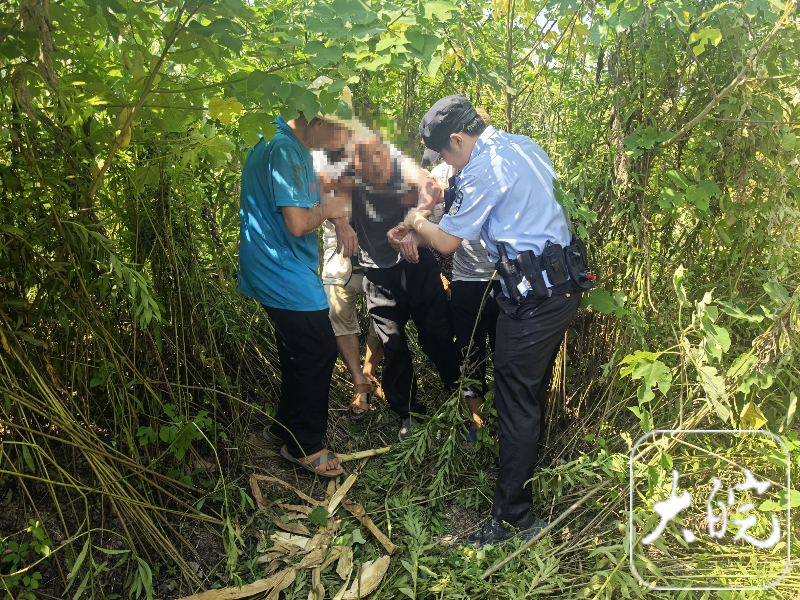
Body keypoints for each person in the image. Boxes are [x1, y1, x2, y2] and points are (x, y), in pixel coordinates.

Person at [402, 95, 583, 545]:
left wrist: (413, 220)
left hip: (535, 298)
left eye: (444, 153)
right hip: (553, 286)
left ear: (458, 139)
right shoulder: (522, 144)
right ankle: (514, 467)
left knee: (515, 394)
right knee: (524, 389)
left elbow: (445, 243)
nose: (446, 162)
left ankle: (513, 520)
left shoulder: (484, 168)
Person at [239, 110, 352, 478]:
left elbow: (317, 191)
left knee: (297, 350)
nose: (340, 142)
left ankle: (282, 427)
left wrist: (339, 218)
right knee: (318, 348)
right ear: (316, 122)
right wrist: (330, 210)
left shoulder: (285, 142)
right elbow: (300, 221)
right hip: (281, 269)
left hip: (277, 265)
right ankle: (304, 444)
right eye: (338, 132)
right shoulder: (284, 151)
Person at [350, 134, 461, 441]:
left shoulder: (400, 168)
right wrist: (340, 223)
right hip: (378, 277)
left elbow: (432, 185)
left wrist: (418, 219)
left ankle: (459, 389)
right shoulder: (345, 182)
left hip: (417, 267)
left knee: (437, 335)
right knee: (393, 344)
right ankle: (409, 411)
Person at [428, 107, 498, 441]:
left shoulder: (502, 168)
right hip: (468, 280)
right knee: (470, 351)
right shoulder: (443, 173)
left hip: (506, 280)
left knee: (508, 353)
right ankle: (477, 421)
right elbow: (435, 227)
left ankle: (506, 420)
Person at [315, 149, 385, 420]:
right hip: (340, 262)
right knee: (338, 316)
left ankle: (369, 371)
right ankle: (359, 382)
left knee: (381, 319)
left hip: (375, 263)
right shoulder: (322, 173)